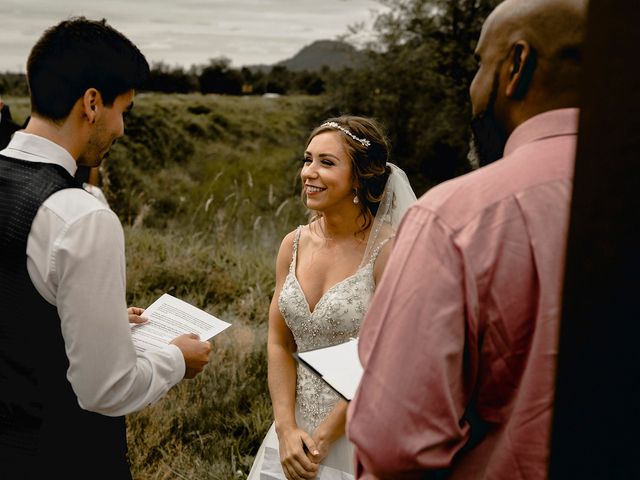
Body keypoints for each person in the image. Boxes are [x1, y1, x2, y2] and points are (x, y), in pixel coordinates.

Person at [346, 0, 587, 478]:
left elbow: (395, 446)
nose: (473, 87)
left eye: (480, 64)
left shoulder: (456, 218)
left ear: (516, 65)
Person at [0, 17, 212, 479]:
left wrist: (108, 322)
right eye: (125, 110)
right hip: (62, 456)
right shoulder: (81, 216)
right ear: (92, 103)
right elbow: (105, 389)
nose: (120, 129)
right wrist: (178, 358)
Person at [247, 116, 416, 480]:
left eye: (326, 162)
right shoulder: (292, 244)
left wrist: (322, 440)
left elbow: (385, 357)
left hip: (354, 435)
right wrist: (286, 429)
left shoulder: (388, 252)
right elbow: (279, 342)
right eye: (308, 159)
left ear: (358, 177)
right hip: (292, 435)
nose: (309, 172)